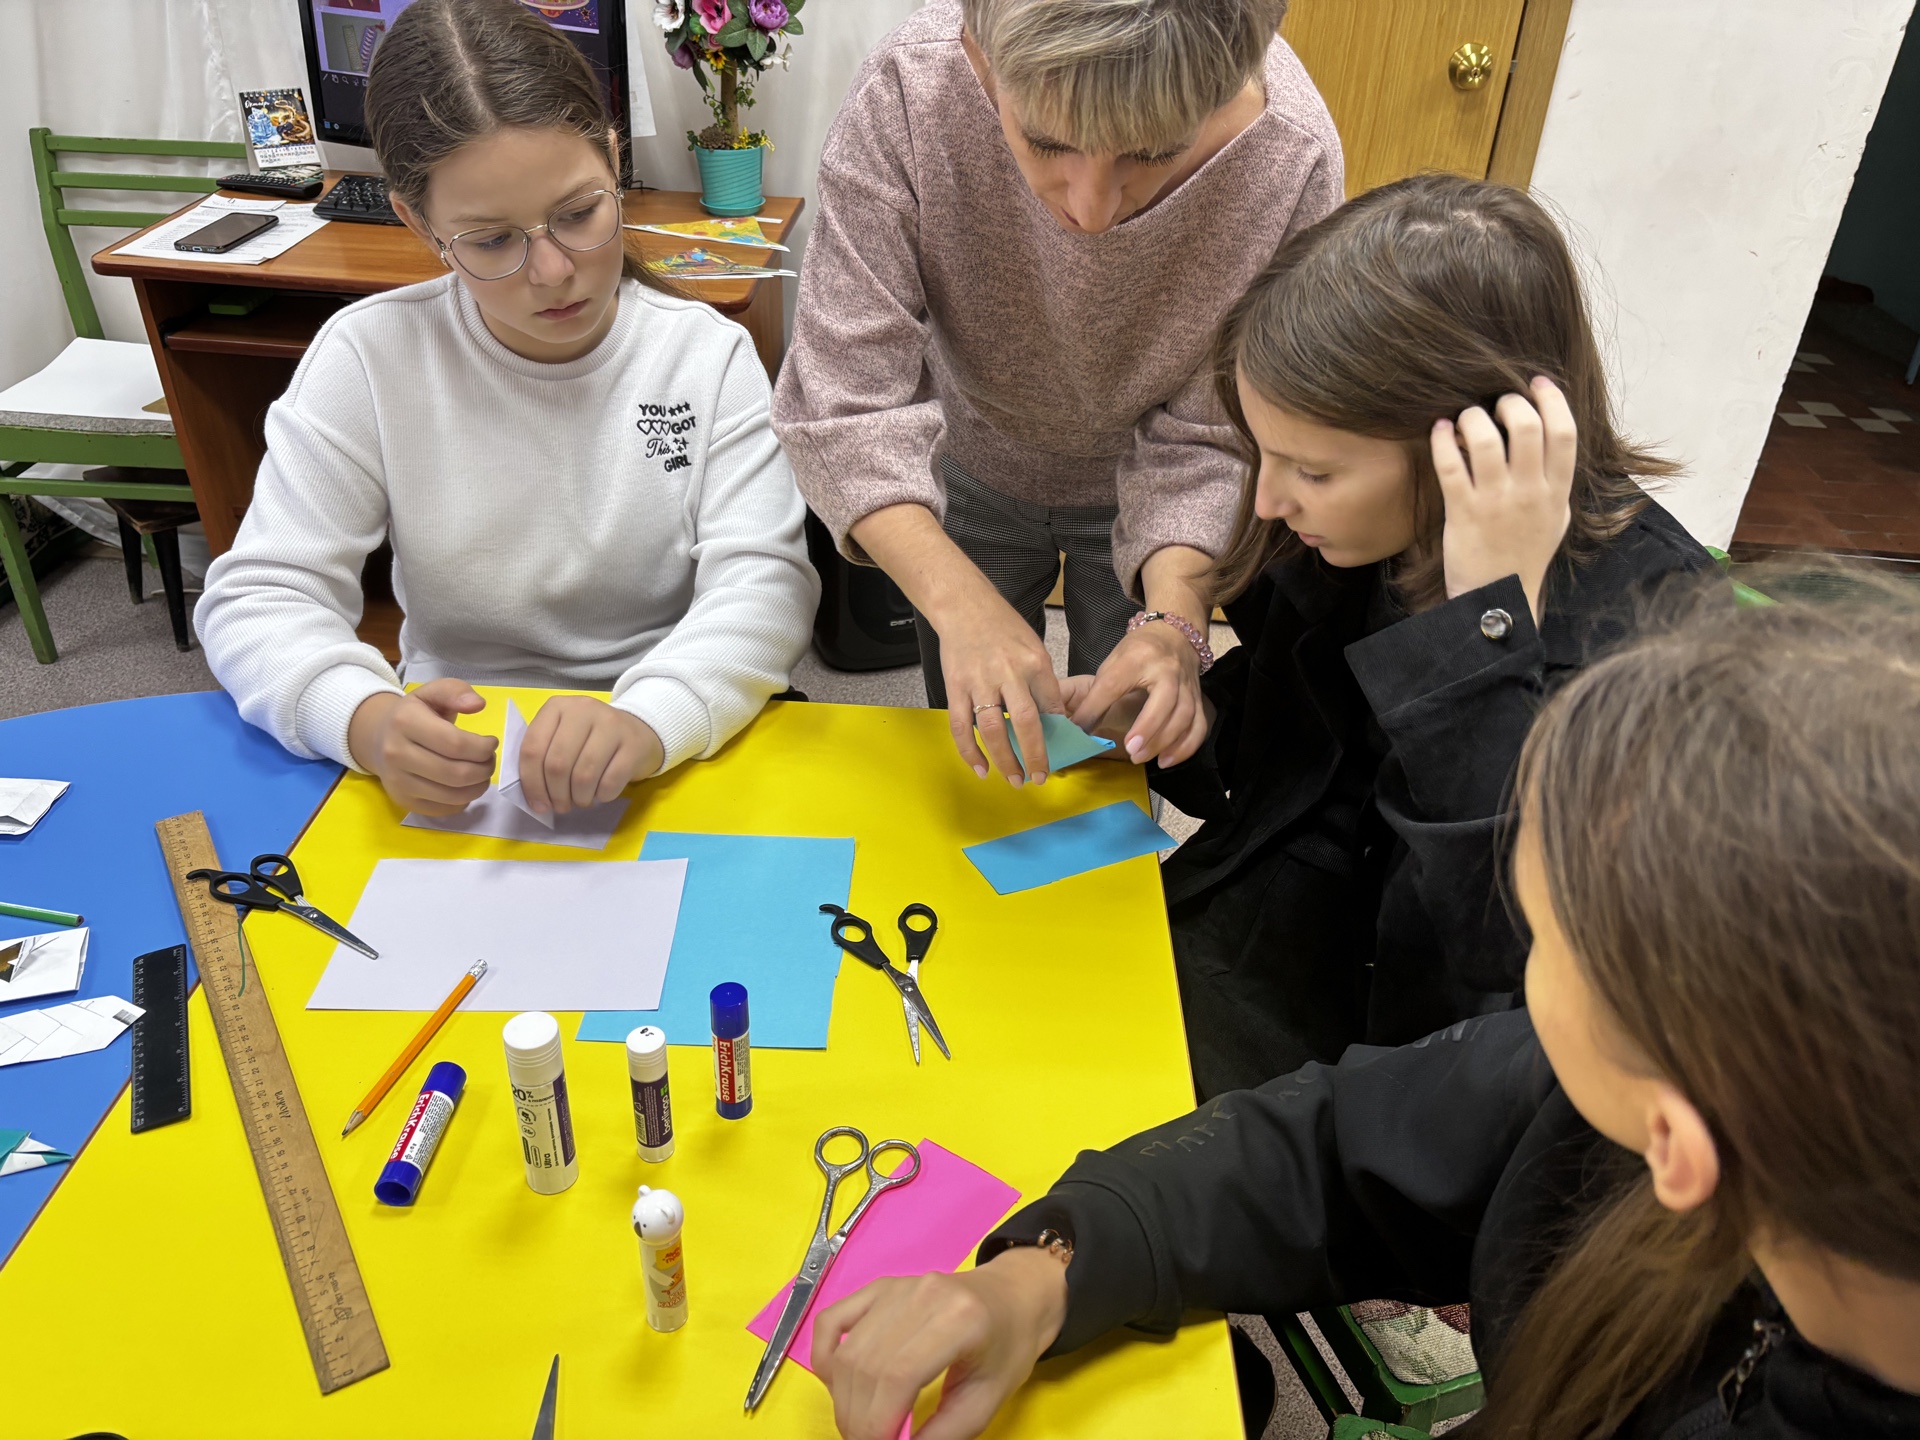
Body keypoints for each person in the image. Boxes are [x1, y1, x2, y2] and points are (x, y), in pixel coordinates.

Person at [809, 579, 1920, 1440]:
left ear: (1672, 1146)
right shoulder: (1671, 1095)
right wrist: (1047, 1270)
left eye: (1546, 949)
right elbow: (1330, 1147)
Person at [1069, 174, 1711, 1097]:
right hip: (1248, 966)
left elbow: (1518, 950)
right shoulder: (1360, 539)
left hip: (1411, 1079)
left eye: (1313, 471)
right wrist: (1185, 721)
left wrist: (1482, 627)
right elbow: (1280, 771)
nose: (1268, 502)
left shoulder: (1660, 636)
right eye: (1264, 455)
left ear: (1480, 447)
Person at [196, 0, 816, 816]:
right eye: (492, 240)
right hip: (465, 755)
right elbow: (261, 594)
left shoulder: (705, 356)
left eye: (579, 213)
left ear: (614, 160)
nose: (553, 271)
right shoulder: (369, 357)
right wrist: (363, 717)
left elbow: (765, 587)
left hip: (668, 739)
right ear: (419, 224)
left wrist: (649, 717)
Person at [773, 0, 1342, 788]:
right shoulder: (914, 85)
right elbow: (846, 402)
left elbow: (1218, 432)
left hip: (1152, 490)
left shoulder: (1289, 155)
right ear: (980, 53)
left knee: (1120, 749)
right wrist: (958, 605)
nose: (1091, 211)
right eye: (1047, 141)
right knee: (984, 741)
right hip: (968, 463)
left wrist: (1176, 625)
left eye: (1154, 152)